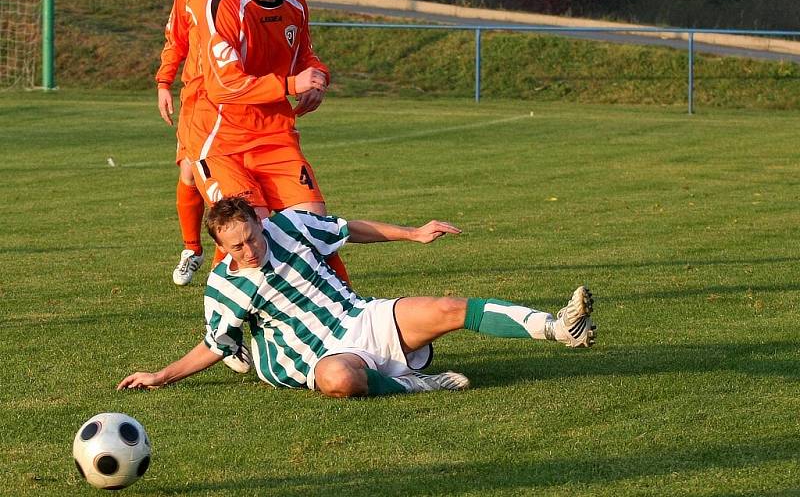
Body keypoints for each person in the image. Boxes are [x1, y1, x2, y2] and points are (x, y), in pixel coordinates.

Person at [118, 197, 597, 397]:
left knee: (450, 308)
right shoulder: (222, 287)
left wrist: (412, 233)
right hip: (320, 356)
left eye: (252, 236)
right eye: (237, 246)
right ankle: (419, 385)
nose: (250, 249)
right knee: (336, 379)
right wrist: (162, 375)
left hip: (360, 318)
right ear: (221, 248)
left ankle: (557, 327)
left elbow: (348, 230)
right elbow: (216, 344)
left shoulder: (289, 224)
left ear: (260, 223)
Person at [184, 0, 350, 283]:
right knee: (245, 233)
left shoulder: (295, 3)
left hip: (275, 136)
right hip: (223, 140)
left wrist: (318, 76)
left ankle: (348, 317)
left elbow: (306, 55)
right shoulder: (222, 5)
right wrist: (291, 85)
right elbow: (223, 84)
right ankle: (225, 334)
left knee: (316, 231)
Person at [155, 0, 239, 286]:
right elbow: (177, 39)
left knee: (229, 186)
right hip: (199, 98)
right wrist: (163, 82)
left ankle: (227, 262)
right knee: (190, 172)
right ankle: (193, 248)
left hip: (238, 100)